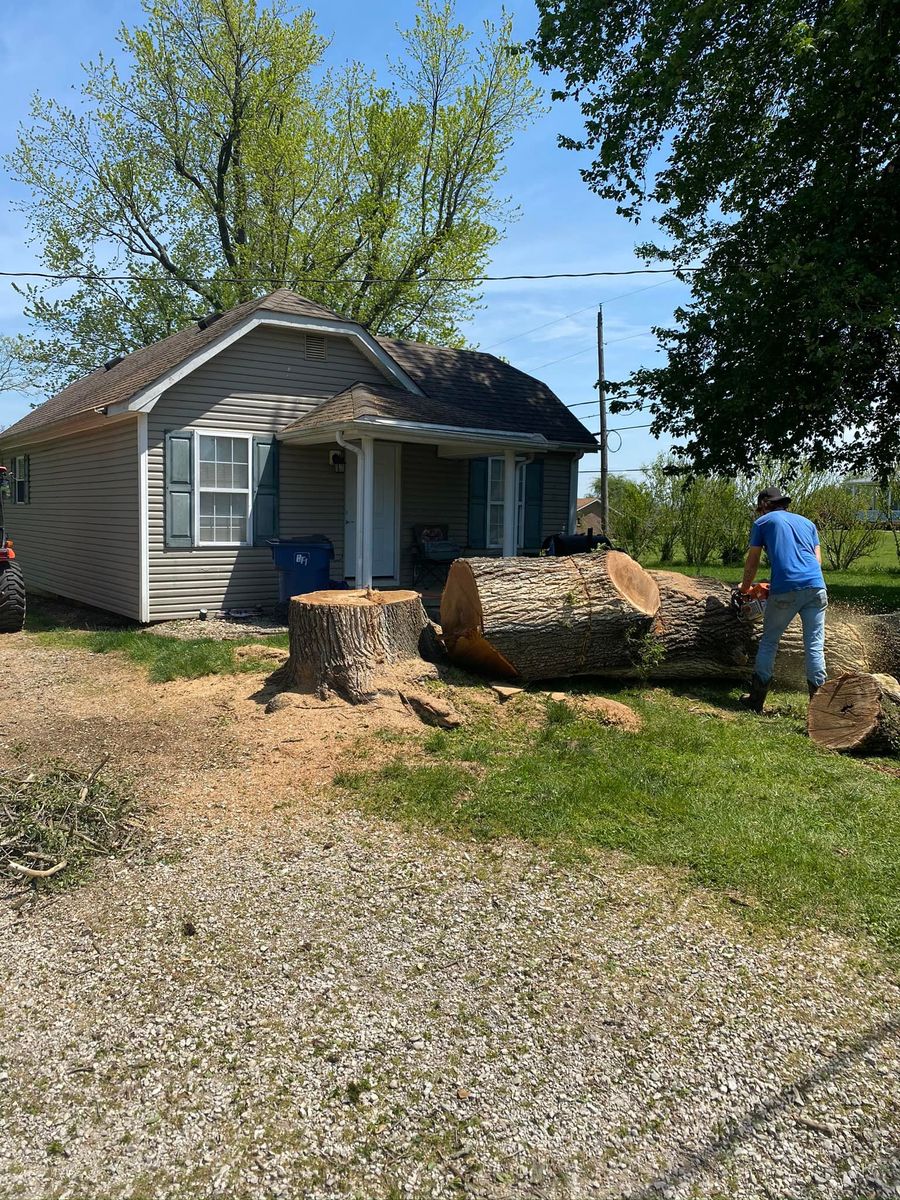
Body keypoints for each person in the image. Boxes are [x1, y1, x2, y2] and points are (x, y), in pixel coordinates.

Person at [739, 486, 827, 712]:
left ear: (765, 505)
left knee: (769, 642)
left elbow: (753, 561)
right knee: (814, 647)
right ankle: (818, 708)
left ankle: (756, 700)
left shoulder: (763, 523)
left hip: (787, 589)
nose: (759, 512)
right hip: (816, 587)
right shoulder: (808, 524)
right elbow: (816, 563)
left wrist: (745, 589)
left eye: (759, 508)